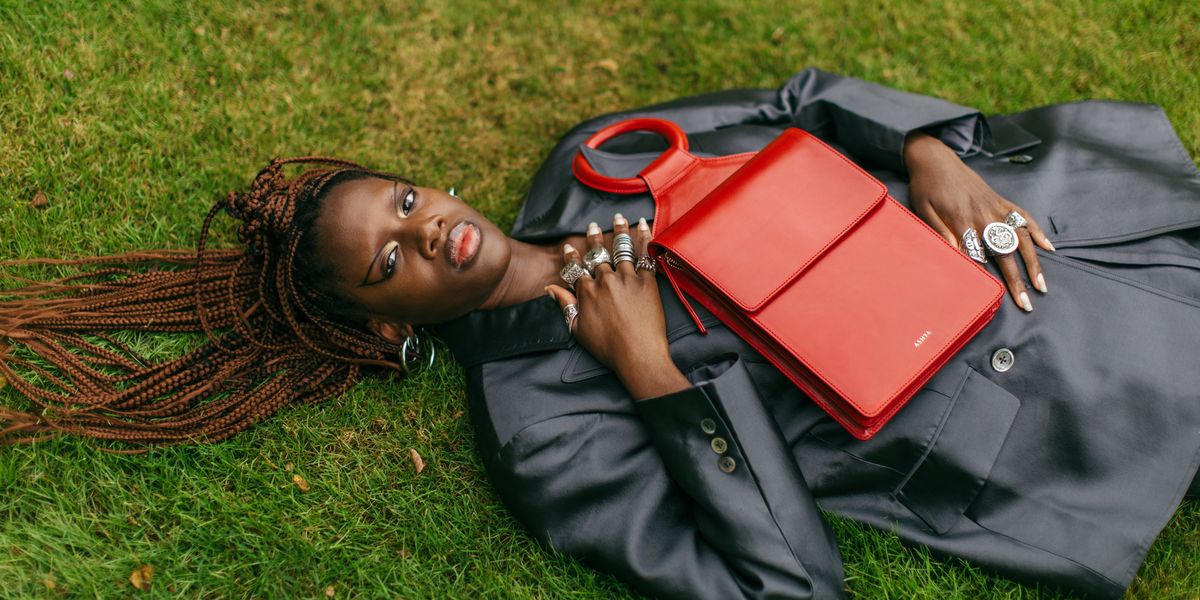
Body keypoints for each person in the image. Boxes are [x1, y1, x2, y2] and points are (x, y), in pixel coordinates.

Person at [2, 68, 1198, 598]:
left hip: (1027, 240)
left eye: (408, 201)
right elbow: (784, 586)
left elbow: (793, 101)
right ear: (374, 328)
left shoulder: (592, 162)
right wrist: (655, 377)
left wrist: (930, 150)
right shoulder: (543, 438)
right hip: (1031, 405)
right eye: (389, 260)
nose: (431, 232)